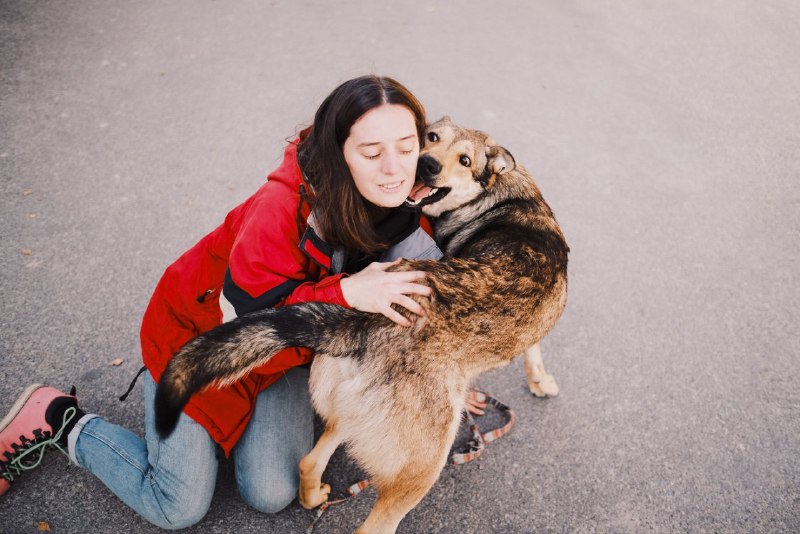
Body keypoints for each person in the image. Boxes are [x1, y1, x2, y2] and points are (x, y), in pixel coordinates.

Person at [0, 75, 457, 528]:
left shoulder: (418, 197)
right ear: (339, 154)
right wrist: (345, 292)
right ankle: (61, 419)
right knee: (176, 506)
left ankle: (223, 437)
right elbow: (250, 322)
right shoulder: (279, 206)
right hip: (207, 340)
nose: (395, 169)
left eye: (407, 146)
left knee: (273, 493)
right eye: (372, 153)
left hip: (287, 358)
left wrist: (447, 369)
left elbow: (448, 288)